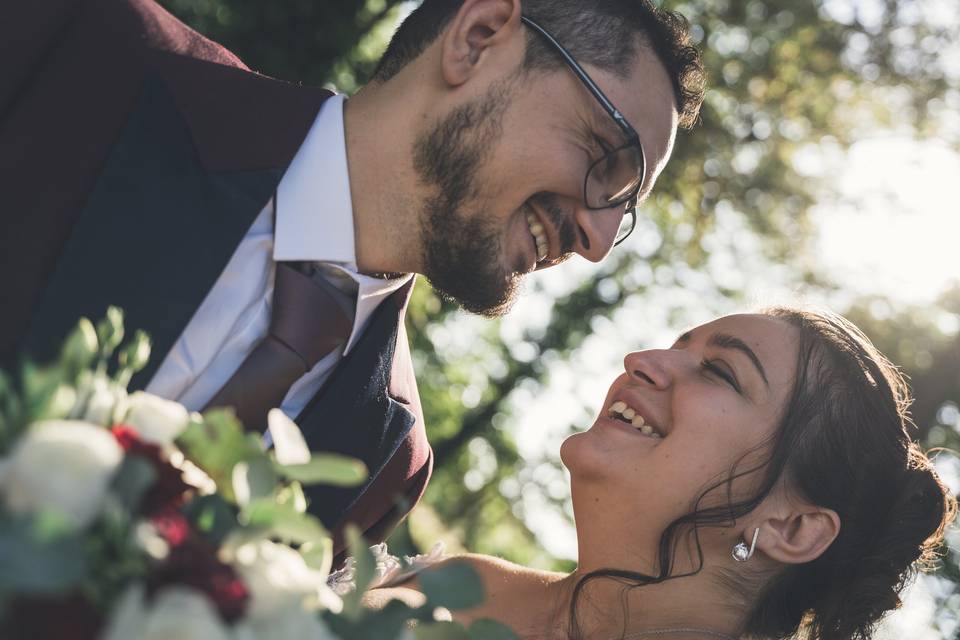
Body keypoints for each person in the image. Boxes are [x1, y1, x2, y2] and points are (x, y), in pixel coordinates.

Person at [0, 0, 704, 555]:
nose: (597, 241)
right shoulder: (73, 46)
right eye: (605, 158)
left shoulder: (389, 463)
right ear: (479, 37)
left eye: (623, 212)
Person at [361, 308, 957, 640]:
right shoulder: (456, 580)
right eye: (678, 344)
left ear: (794, 528)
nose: (642, 361)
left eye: (721, 373)